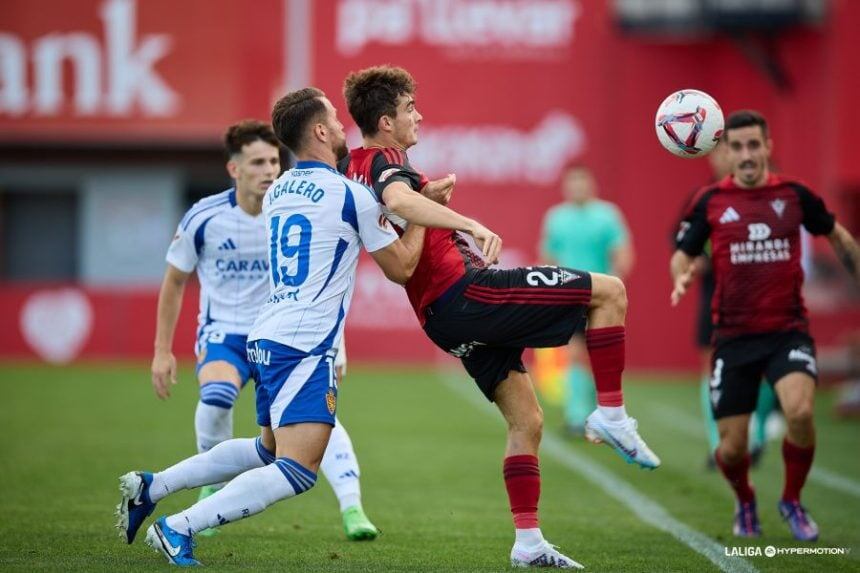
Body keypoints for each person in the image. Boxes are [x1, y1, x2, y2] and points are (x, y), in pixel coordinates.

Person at [340, 65, 660, 569]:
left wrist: (428, 201)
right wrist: (466, 219)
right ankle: (612, 414)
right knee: (611, 292)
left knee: (527, 421)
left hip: (443, 317)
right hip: (468, 294)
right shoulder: (384, 162)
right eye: (408, 109)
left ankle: (528, 543)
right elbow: (398, 198)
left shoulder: (358, 164)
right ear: (385, 121)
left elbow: (402, 209)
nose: (417, 115)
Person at [117, 93, 427, 566]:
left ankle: (151, 487)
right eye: (336, 121)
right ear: (320, 132)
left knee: (267, 449)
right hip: (303, 342)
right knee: (298, 469)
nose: (345, 128)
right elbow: (403, 267)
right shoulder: (350, 195)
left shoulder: (280, 190)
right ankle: (178, 527)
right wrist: (422, 211)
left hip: (268, 333)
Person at [145, 120, 378, 541]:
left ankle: (352, 506)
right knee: (223, 402)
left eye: (274, 159)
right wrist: (162, 349)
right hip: (228, 334)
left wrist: (336, 345)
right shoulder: (206, 217)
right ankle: (201, 501)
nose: (269, 169)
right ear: (235, 169)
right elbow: (175, 280)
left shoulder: (288, 204)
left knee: (284, 441)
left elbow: (317, 283)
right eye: (257, 162)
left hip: (282, 333)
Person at [671, 110, 860, 541]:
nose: (747, 154)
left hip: (787, 332)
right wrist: (681, 273)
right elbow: (682, 251)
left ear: (768, 147)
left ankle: (792, 499)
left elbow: (836, 235)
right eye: (737, 147)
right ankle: (745, 501)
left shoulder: (795, 195)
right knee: (733, 449)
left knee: (800, 411)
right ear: (724, 152)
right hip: (733, 338)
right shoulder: (710, 201)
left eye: (754, 144)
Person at [679, 141, 778, 469]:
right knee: (711, 367)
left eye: (731, 150)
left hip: (758, 296)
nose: (726, 158)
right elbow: (682, 243)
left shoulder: (768, 196)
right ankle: (717, 444)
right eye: (720, 151)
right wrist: (694, 260)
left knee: (761, 366)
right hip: (715, 297)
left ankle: (758, 435)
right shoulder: (701, 198)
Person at [540, 163, 634, 435]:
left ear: (591, 184)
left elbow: (623, 253)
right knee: (574, 353)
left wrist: (617, 285)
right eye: (573, 181)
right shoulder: (556, 217)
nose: (578, 186)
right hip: (570, 296)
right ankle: (576, 416)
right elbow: (548, 257)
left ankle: (606, 411)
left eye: (582, 181)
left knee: (602, 355)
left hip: (602, 297)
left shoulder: (607, 215)